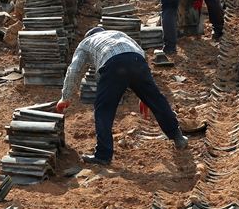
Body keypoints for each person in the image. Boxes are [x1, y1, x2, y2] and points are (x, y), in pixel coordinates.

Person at [56, 27, 188, 165]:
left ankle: (103, 155)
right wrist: (144, 96)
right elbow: (141, 55)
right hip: (137, 60)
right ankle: (178, 137)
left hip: (113, 65)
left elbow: (74, 70)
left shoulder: (85, 43)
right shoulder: (120, 34)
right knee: (157, 100)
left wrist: (66, 97)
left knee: (103, 110)